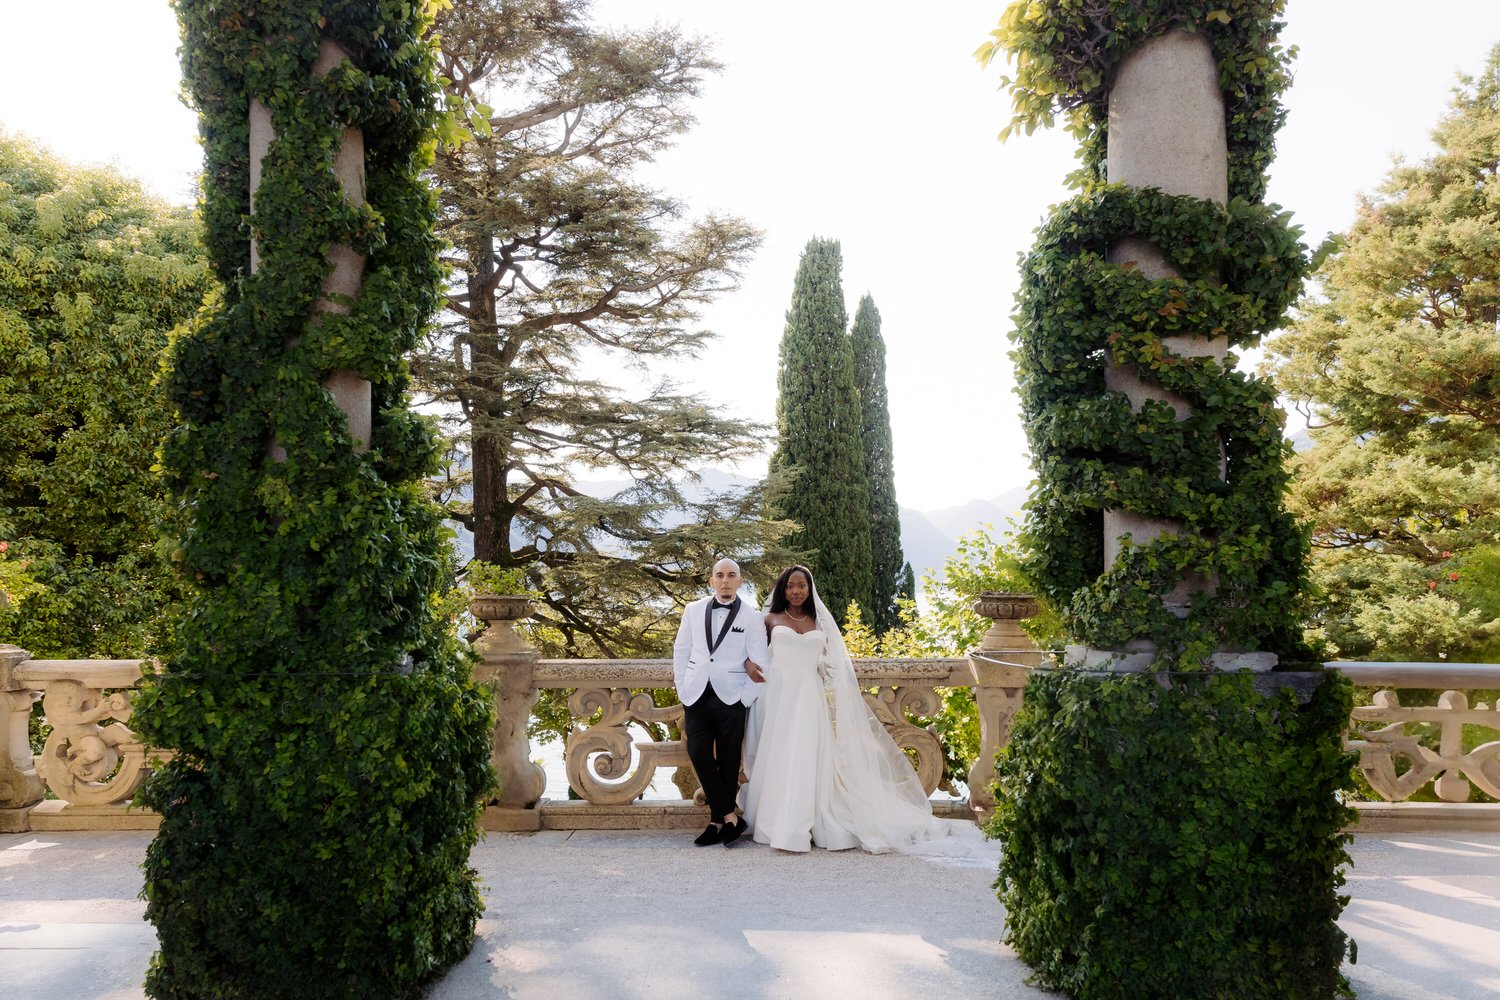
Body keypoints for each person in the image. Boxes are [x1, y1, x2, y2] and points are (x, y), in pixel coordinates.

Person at [741, 564, 954, 854]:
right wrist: (749, 665)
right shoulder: (769, 619)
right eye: (790, 585)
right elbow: (750, 653)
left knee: (807, 754)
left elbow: (834, 667)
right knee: (781, 753)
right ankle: (778, 817)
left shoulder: (821, 622)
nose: (796, 591)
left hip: (809, 697)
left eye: (801, 585)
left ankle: (809, 817)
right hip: (778, 696)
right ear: (782, 588)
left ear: (809, 588)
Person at [672, 557, 769, 847]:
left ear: (740, 582)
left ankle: (717, 823)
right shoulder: (693, 610)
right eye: (719, 575)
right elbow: (681, 650)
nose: (725, 580)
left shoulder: (752, 618)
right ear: (711, 580)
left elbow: (761, 662)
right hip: (696, 694)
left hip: (732, 697)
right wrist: (682, 687)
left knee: (729, 763)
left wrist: (744, 700)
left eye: (731, 575)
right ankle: (731, 816)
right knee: (698, 752)